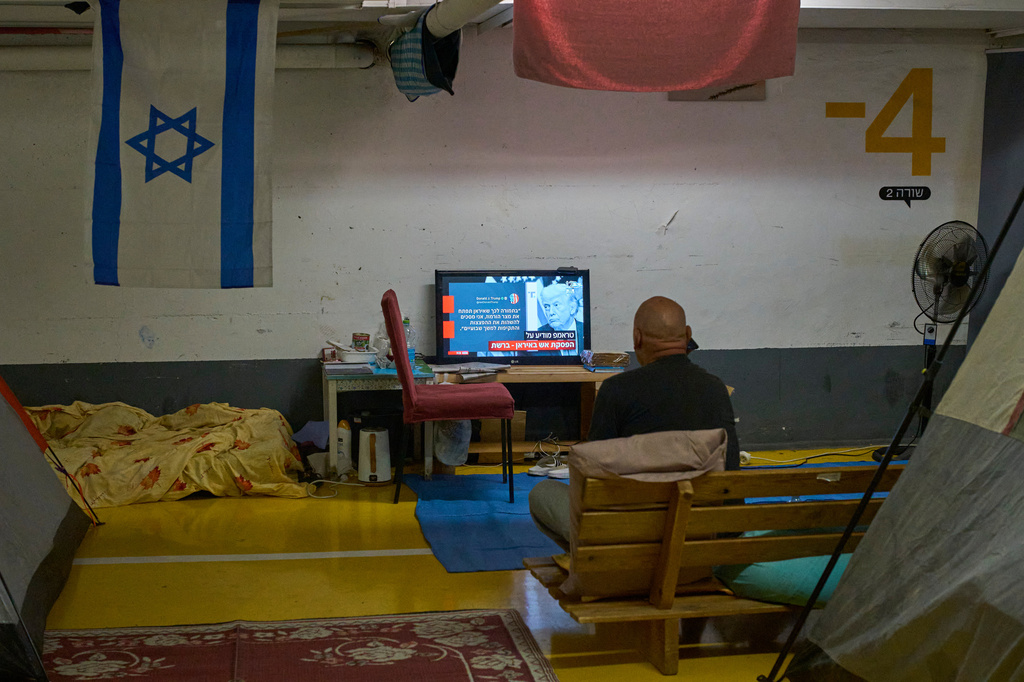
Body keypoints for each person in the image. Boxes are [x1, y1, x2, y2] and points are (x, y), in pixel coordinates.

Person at [529, 295, 740, 551]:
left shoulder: (616, 390)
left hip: (634, 538)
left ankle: (604, 564)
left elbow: (591, 478)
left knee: (542, 493)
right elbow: (730, 467)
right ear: (687, 335)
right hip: (707, 534)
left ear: (636, 338)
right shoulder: (716, 389)